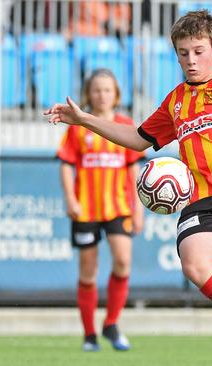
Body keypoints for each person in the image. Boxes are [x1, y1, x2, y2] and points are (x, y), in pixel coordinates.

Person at [46, 10, 212, 366]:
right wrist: (84, 119)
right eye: (183, 52)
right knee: (194, 262)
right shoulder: (175, 101)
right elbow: (137, 138)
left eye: (199, 51)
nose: (191, 60)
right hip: (204, 200)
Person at [56, 68, 144, 352]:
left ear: (116, 94)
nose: (101, 95)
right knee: (88, 271)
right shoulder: (78, 126)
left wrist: (138, 209)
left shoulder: (124, 124)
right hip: (86, 210)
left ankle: (112, 323)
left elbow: (133, 169)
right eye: (96, 90)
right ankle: (90, 333)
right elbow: (67, 165)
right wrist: (70, 198)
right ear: (88, 94)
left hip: (117, 207)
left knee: (123, 261)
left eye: (107, 90)